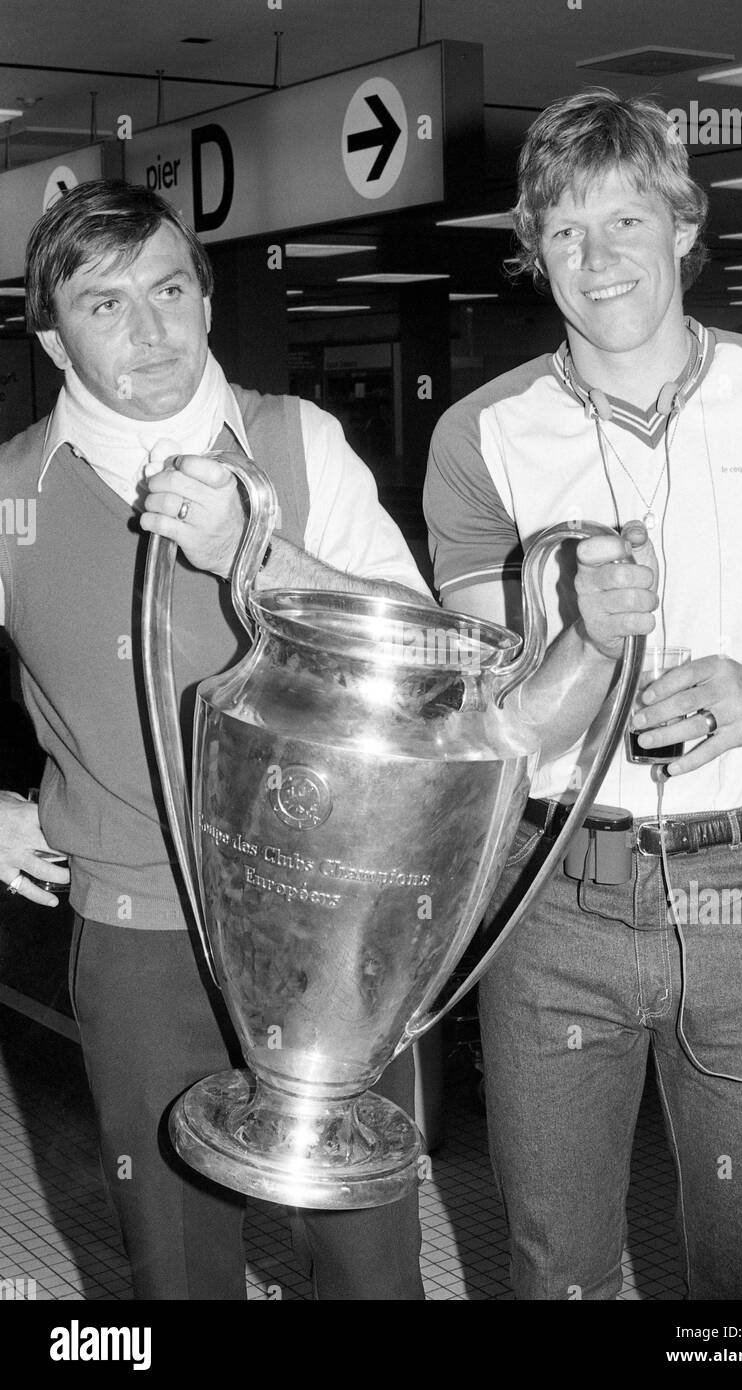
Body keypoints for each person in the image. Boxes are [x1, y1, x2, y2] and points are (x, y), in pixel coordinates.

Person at [424, 87, 742, 1300]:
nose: (596, 257)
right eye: (562, 231)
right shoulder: (480, 437)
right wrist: (580, 644)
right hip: (550, 900)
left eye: (624, 221)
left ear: (681, 225)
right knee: (555, 1270)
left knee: (739, 1276)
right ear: (532, 251)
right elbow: (482, 724)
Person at [0, 179, 430, 1300]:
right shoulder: (10, 495)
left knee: (367, 1255)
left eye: (169, 289)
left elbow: (431, 667)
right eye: (104, 304)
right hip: (139, 927)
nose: (150, 331)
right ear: (51, 337)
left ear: (204, 298)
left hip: (337, 923)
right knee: (177, 1265)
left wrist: (258, 552)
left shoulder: (298, 442)